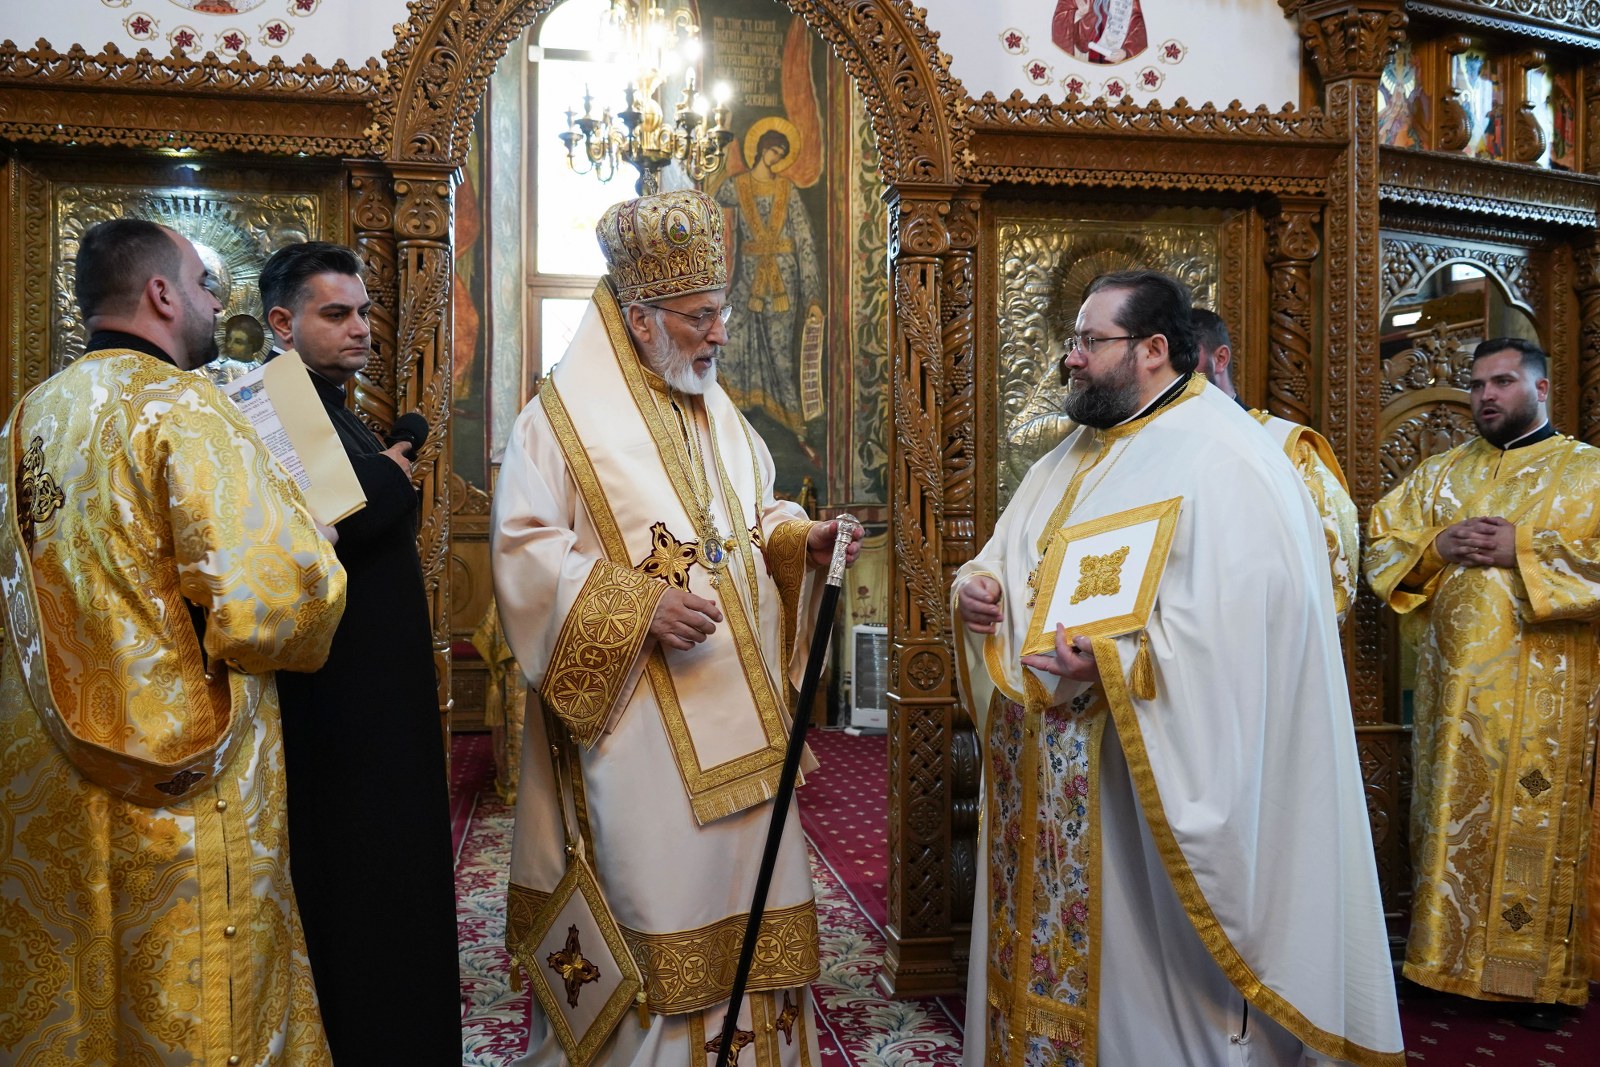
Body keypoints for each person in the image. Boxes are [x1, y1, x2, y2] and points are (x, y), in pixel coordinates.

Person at [953, 269, 1402, 1066]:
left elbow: (1254, 632)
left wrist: (1122, 664)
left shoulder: (1229, 457)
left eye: (1090, 341)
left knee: (1147, 1000)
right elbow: (1009, 552)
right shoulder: (1072, 455)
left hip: (1144, 792)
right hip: (1055, 784)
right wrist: (977, 587)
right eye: (1074, 340)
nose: (1071, 358)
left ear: (1154, 348)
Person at [491, 188, 859, 1067]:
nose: (720, 334)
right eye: (701, 316)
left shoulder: (715, 411)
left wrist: (798, 540)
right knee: (660, 908)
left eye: (722, 312)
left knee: (753, 902)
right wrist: (638, 606)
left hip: (746, 723)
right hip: (642, 732)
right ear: (641, 318)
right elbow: (524, 556)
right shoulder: (558, 424)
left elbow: (750, 516)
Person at [0, 218, 346, 1064]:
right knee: (191, 997)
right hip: (182, 788)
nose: (214, 307)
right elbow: (268, 603)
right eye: (203, 286)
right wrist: (316, 550)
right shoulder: (181, 407)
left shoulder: (27, 417)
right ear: (160, 293)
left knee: (83, 990)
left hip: (49, 778)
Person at [259, 242, 462, 1063]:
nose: (360, 328)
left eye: (365, 312)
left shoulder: (328, 402)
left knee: (392, 867)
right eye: (336, 313)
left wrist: (388, 466)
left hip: (377, 686)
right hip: (341, 695)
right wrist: (391, 470)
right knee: (361, 872)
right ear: (283, 322)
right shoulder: (279, 395)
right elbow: (352, 512)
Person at [1366, 336, 1600, 1030]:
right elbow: (1380, 544)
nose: (1486, 396)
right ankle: (1440, 965)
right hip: (1449, 703)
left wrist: (1523, 549)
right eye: (1477, 385)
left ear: (1541, 389)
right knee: (1447, 825)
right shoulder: (1440, 474)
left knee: (1527, 829)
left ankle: (1527, 981)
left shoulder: (1587, 472)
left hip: (1543, 699)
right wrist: (1435, 546)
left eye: (1502, 382)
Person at [1193, 306, 1360, 624]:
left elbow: (1336, 563)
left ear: (1220, 358)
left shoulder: (1284, 445)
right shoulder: (1158, 450)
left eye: (1185, 358)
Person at [713, 122, 823, 436]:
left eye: (781, 153)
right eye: (773, 149)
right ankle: (730, 413)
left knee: (780, 351)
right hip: (748, 277)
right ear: (761, 148)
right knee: (730, 339)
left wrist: (812, 297)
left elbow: (804, 240)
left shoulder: (787, 190)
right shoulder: (737, 185)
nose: (775, 157)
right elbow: (713, 202)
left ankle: (793, 422)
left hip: (782, 282)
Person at [1053, 0, 1147, 65]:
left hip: (1117, 62)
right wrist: (1078, 14)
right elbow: (1058, 23)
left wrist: (1126, 52)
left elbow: (1138, 23)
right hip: (1086, 59)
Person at [205, 312, 267, 388]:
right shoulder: (226, 365)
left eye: (238, 342)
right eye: (228, 339)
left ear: (253, 345)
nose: (229, 345)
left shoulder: (258, 369)